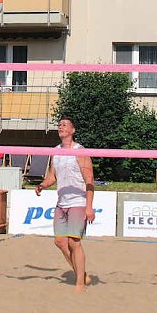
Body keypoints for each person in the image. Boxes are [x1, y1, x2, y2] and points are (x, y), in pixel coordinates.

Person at [35, 116, 95, 293]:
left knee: (74, 242)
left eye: (65, 125)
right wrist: (42, 185)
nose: (60, 127)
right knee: (60, 242)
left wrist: (89, 206)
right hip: (61, 203)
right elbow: (52, 176)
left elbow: (89, 180)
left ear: (73, 130)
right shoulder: (56, 151)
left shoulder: (80, 151)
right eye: (59, 124)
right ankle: (82, 274)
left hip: (78, 201)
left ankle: (80, 284)